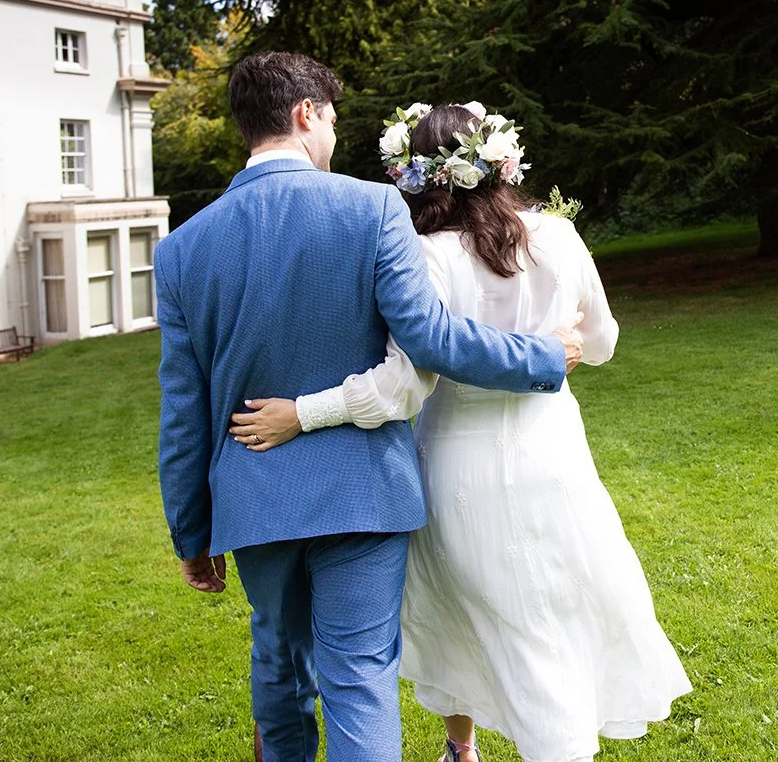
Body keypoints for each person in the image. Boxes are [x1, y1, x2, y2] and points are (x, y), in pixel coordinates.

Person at [227, 102, 691, 762]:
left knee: (469, 611)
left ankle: (490, 748)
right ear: (501, 161)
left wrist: (301, 413)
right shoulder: (556, 237)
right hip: (552, 449)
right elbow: (604, 341)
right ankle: (469, 750)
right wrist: (554, 348)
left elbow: (401, 384)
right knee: (549, 606)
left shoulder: (426, 254)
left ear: (416, 175)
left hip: (456, 460)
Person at [154, 53, 584, 762]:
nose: (331, 135)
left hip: (255, 502)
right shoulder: (371, 207)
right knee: (358, 679)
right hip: (363, 492)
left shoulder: (181, 251)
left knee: (277, 666)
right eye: (329, 118)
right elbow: (431, 340)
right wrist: (540, 357)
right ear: (304, 114)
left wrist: (190, 535)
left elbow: (182, 413)